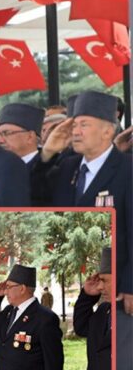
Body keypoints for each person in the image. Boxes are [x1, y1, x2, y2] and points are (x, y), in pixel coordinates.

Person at [39, 90, 132, 298]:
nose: (76, 132)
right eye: (73, 125)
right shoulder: (66, 168)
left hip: (119, 283)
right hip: (89, 282)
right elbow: (34, 195)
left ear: (107, 131)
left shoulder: (127, 169)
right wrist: (47, 153)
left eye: (84, 125)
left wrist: (130, 285)